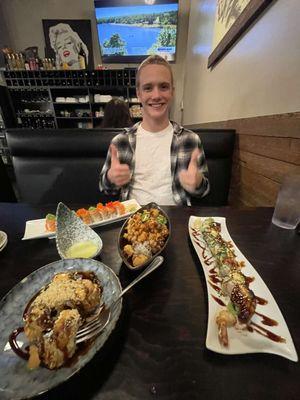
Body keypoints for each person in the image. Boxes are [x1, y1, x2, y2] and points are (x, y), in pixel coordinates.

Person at [99, 55, 209, 206]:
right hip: (132, 223)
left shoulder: (191, 140)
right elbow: (105, 189)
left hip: (176, 220)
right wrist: (111, 178)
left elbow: (204, 191)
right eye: (148, 88)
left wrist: (198, 183)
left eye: (163, 87)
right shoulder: (120, 141)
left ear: (172, 91)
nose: (156, 95)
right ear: (139, 93)